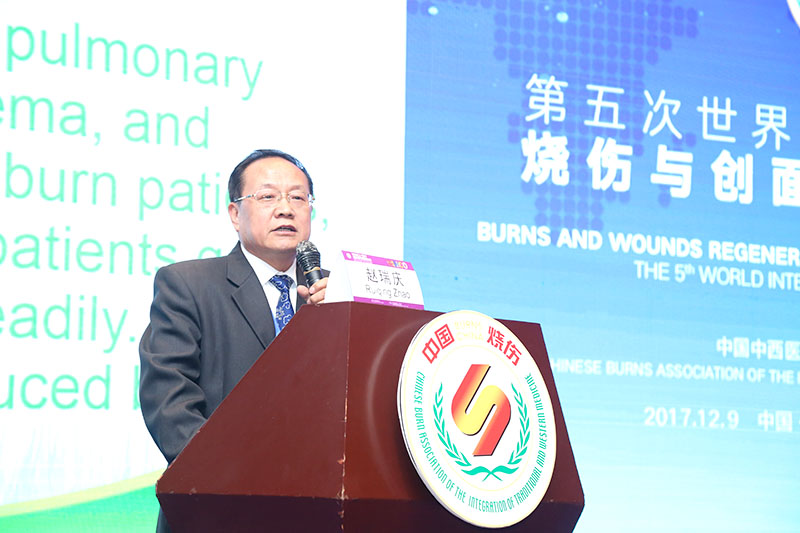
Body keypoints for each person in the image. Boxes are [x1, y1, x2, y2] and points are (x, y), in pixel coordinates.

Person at [138, 149, 328, 532]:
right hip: (218, 511)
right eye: (268, 196)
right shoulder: (188, 285)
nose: (286, 209)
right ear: (235, 214)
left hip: (317, 511)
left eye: (298, 197)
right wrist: (236, 485)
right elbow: (169, 402)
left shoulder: (334, 294)